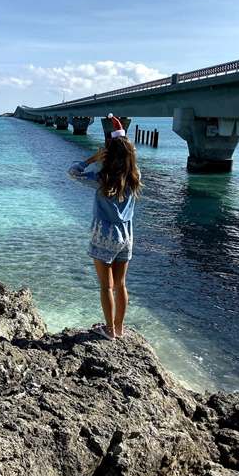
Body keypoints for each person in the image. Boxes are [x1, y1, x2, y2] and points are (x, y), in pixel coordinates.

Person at [68, 114, 142, 340]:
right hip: (126, 236)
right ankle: (119, 330)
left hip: (104, 235)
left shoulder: (102, 178)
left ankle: (109, 331)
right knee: (121, 285)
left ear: (108, 155)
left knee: (106, 286)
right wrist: (120, 134)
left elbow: (73, 172)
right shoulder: (134, 176)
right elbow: (126, 150)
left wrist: (92, 158)